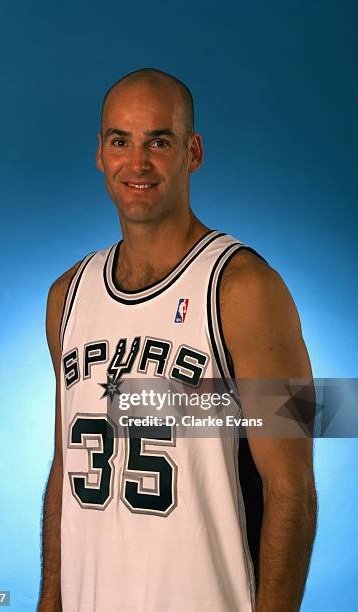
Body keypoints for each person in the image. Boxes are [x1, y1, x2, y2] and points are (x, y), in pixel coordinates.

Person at [37, 68, 317, 612]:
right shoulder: (66, 296)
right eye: (121, 141)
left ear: (193, 151)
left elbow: (292, 489)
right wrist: (49, 602)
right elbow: (63, 467)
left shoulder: (246, 288)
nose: (137, 163)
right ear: (100, 153)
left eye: (158, 142)